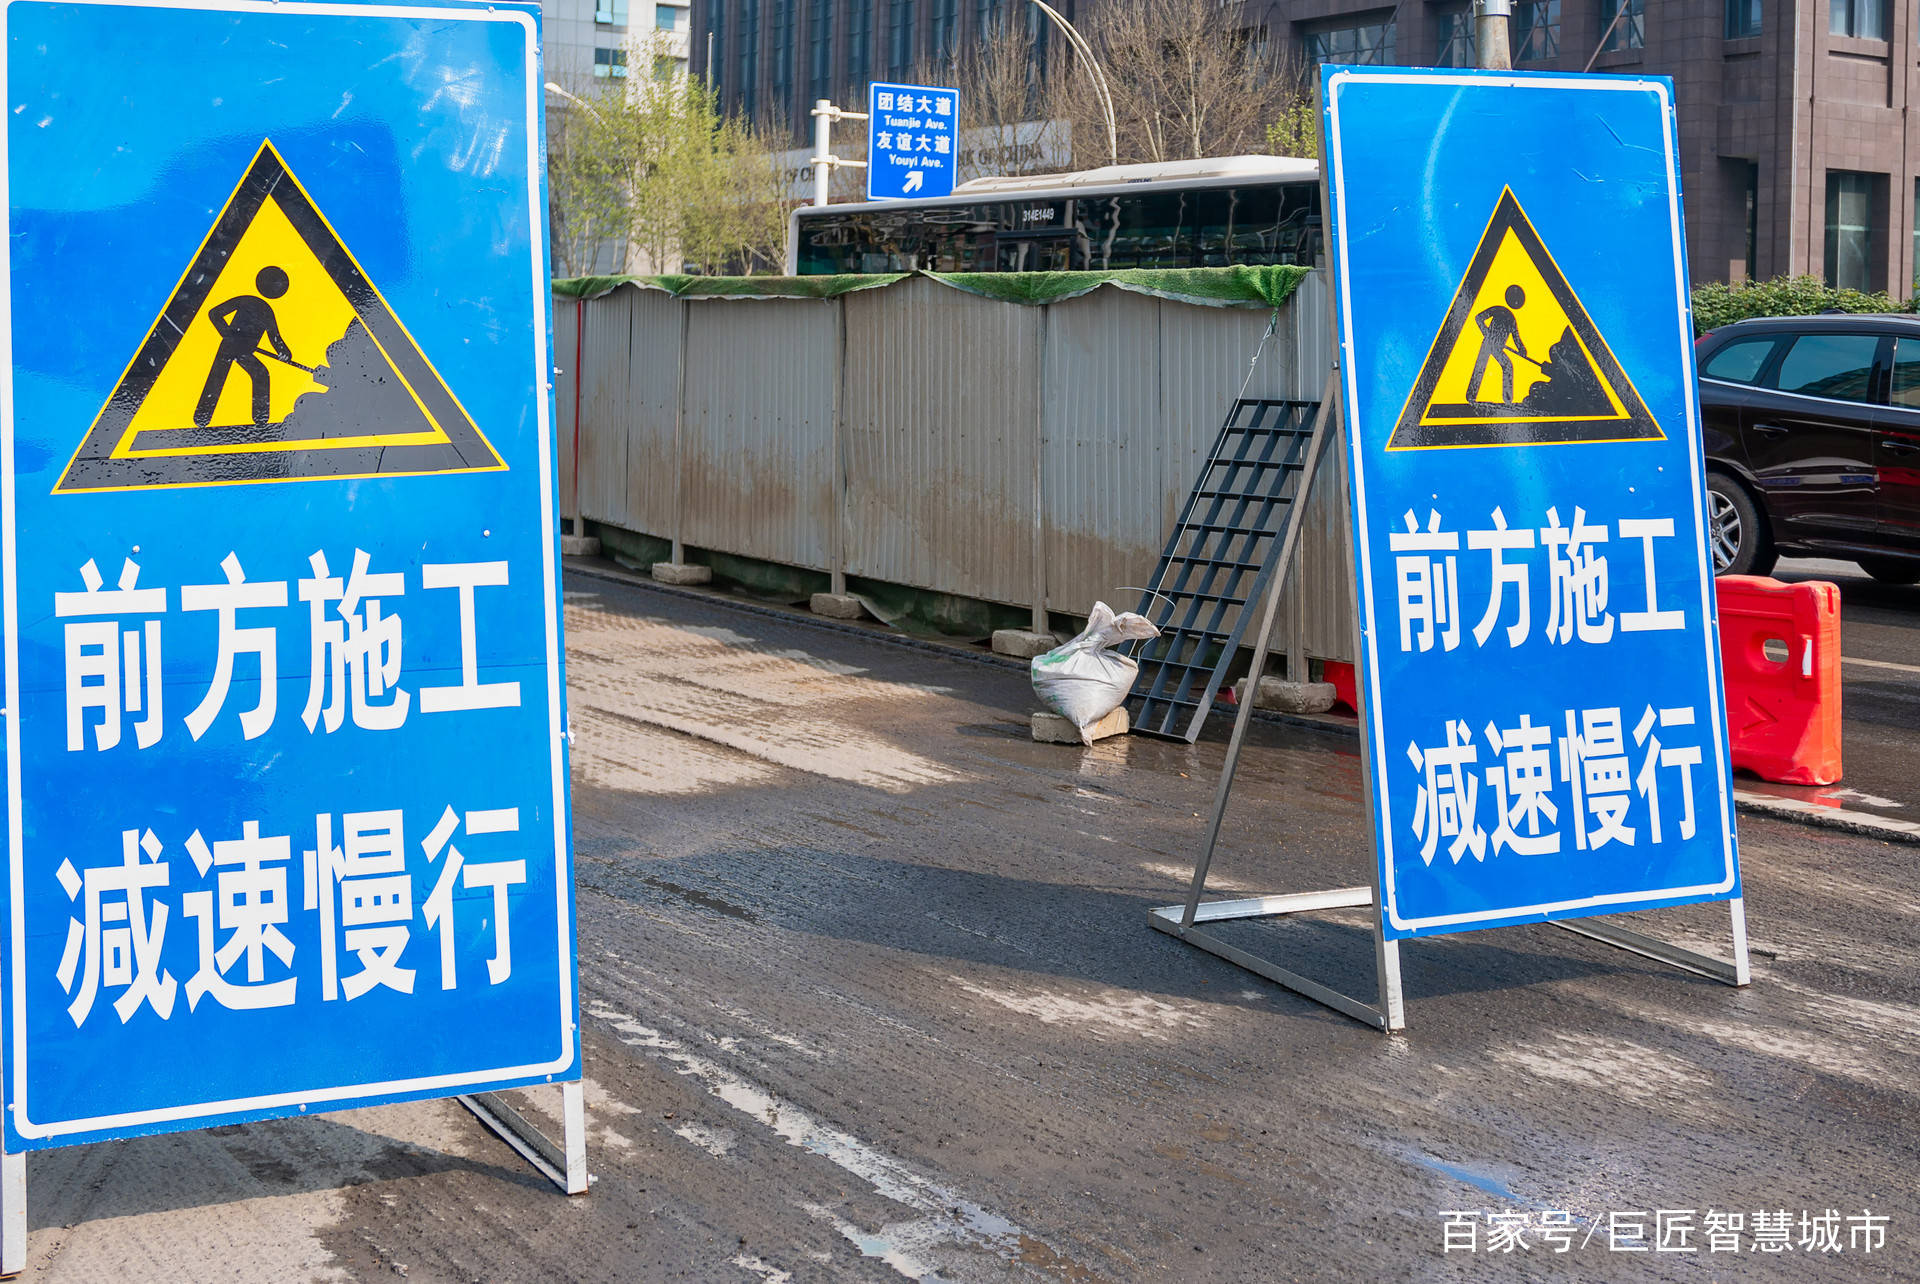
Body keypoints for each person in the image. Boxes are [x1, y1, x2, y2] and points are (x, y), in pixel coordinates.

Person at [195, 266, 293, 428]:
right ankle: (201, 419)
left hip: (246, 350)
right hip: (228, 346)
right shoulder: (246, 300)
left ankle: (261, 421)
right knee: (216, 379)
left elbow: (274, 336)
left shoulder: (267, 311)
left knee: (261, 374)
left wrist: (284, 352)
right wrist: (229, 335)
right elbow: (214, 313)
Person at [1467, 284, 1529, 405]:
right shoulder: (1498, 309)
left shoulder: (1511, 319)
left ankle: (1507, 400)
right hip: (1488, 343)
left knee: (1507, 365)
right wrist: (1486, 332)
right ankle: (1471, 396)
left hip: (1498, 347)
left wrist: (1522, 350)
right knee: (1480, 367)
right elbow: (1478, 318)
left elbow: (1516, 337)